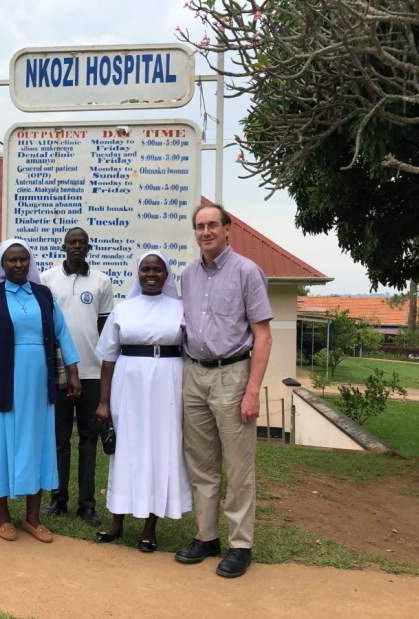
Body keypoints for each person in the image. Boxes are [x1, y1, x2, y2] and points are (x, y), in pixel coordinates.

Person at [176, 203, 273, 578]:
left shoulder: (247, 272)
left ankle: (240, 544)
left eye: (213, 224)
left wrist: (252, 391)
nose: (206, 232)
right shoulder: (187, 275)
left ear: (228, 228)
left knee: (238, 465)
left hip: (232, 375)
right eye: (200, 226)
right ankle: (206, 536)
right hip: (194, 373)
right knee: (201, 463)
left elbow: (262, 335)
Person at [0, 239, 81, 543]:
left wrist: (73, 371)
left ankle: (33, 517)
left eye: (23, 260)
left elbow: (62, 334)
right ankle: (2, 517)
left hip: (38, 384)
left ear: (30, 263)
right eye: (11, 261)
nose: (18, 265)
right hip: (2, 381)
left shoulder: (43, 295)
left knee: (38, 443)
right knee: (1, 443)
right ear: (1, 265)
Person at [93, 251, 192, 552]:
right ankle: (116, 521)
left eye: (157, 270)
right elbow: (108, 358)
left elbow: (191, 352)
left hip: (168, 387)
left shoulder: (181, 309)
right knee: (126, 450)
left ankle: (150, 527)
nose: (151, 274)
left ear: (166, 275)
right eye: (145, 269)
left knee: (160, 450)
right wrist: (103, 402)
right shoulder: (124, 309)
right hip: (129, 386)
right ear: (138, 274)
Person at [41, 227, 114, 527]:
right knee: (59, 439)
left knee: (88, 439)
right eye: (72, 242)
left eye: (82, 242)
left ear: (88, 247)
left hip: (92, 372)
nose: (76, 246)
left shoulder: (101, 281)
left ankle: (86, 504)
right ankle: (58, 499)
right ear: (63, 246)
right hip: (58, 371)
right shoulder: (47, 279)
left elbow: (105, 328)